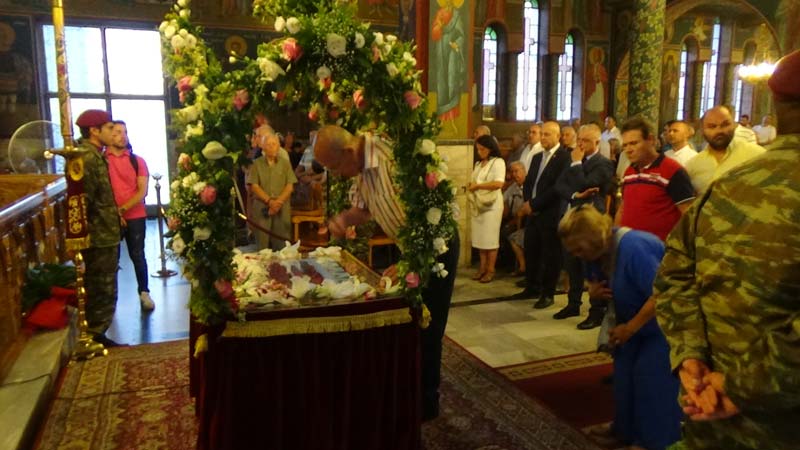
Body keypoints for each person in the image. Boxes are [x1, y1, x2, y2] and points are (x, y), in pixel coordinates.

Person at [652, 49, 800, 449]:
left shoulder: (727, 186)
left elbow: (673, 275)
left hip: (708, 415)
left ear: (776, 104)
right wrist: (739, 386)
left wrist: (692, 360)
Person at [313, 125, 459, 422]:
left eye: (335, 167)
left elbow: (431, 213)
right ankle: (408, 389)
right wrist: (342, 219)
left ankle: (426, 402)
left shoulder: (393, 155)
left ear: (349, 152)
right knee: (408, 322)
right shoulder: (359, 168)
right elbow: (363, 210)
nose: (337, 175)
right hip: (411, 249)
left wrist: (412, 263)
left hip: (436, 247)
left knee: (428, 326)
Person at [559, 205, 681, 450]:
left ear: (593, 238)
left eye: (578, 249)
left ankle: (653, 443)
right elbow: (595, 282)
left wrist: (630, 329)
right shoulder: (597, 252)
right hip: (631, 323)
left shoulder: (635, 247)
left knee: (650, 380)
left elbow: (662, 294)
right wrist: (593, 291)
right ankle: (624, 431)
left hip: (663, 324)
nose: (576, 255)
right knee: (624, 377)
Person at [555, 123, 615, 328]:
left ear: (597, 142)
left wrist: (576, 165)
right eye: (579, 140)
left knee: (592, 267)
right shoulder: (573, 160)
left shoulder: (603, 164)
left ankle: (596, 311)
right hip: (573, 216)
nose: (580, 144)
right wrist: (575, 195)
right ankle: (573, 304)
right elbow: (559, 186)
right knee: (571, 263)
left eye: (586, 141)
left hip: (592, 219)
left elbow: (586, 184)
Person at [508, 121, 571, 307]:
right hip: (533, 212)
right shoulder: (536, 157)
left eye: (547, 134)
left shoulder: (564, 158)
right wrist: (528, 202)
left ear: (558, 136)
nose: (543, 137)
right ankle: (532, 286)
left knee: (550, 255)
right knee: (532, 250)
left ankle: (548, 293)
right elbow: (529, 183)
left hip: (550, 213)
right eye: (541, 134)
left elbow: (557, 188)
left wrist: (534, 205)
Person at [74, 109, 121, 347]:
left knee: (105, 286)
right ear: (94, 131)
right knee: (101, 287)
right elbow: (86, 201)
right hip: (99, 237)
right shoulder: (88, 158)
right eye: (109, 128)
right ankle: (94, 333)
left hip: (106, 233)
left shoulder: (96, 155)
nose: (114, 133)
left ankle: (98, 333)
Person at [616, 117, 695, 241]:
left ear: (651, 140)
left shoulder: (673, 171)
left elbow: (688, 215)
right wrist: (615, 237)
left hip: (659, 247)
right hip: (629, 245)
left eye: (634, 143)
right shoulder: (629, 172)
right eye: (625, 145)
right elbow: (622, 209)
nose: (628, 150)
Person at [106, 120, 154, 311]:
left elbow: (142, 191)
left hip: (135, 215)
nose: (122, 136)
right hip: (109, 216)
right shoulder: (102, 160)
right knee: (111, 258)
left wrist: (123, 209)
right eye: (117, 132)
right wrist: (114, 212)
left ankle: (144, 292)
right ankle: (110, 299)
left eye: (125, 132)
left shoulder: (137, 161)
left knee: (138, 254)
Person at [684, 106, 766, 194]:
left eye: (725, 125)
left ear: (734, 125)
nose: (719, 131)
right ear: (702, 130)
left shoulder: (757, 155)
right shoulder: (693, 165)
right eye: (712, 126)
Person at [246, 125, 296, 250]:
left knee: (282, 243)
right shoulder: (257, 164)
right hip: (262, 206)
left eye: (274, 144)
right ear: (263, 147)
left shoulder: (285, 163)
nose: (272, 147)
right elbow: (254, 186)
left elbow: (290, 185)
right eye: (269, 145)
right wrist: (269, 201)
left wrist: (278, 202)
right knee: (262, 243)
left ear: (279, 146)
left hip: (281, 207)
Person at [468, 135, 506, 283]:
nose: (480, 152)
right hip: (479, 204)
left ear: (490, 148)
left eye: (482, 149)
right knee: (480, 238)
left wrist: (478, 186)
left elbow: (498, 183)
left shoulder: (498, 162)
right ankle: (482, 268)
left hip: (492, 206)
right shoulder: (478, 164)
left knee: (490, 239)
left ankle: (491, 269)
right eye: (478, 149)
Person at [501, 161, 527, 276]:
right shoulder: (513, 187)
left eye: (517, 171)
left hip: (526, 220)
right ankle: (508, 264)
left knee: (508, 233)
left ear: (524, 171)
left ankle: (522, 266)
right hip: (513, 218)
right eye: (512, 172)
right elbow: (503, 200)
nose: (514, 175)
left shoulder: (529, 186)